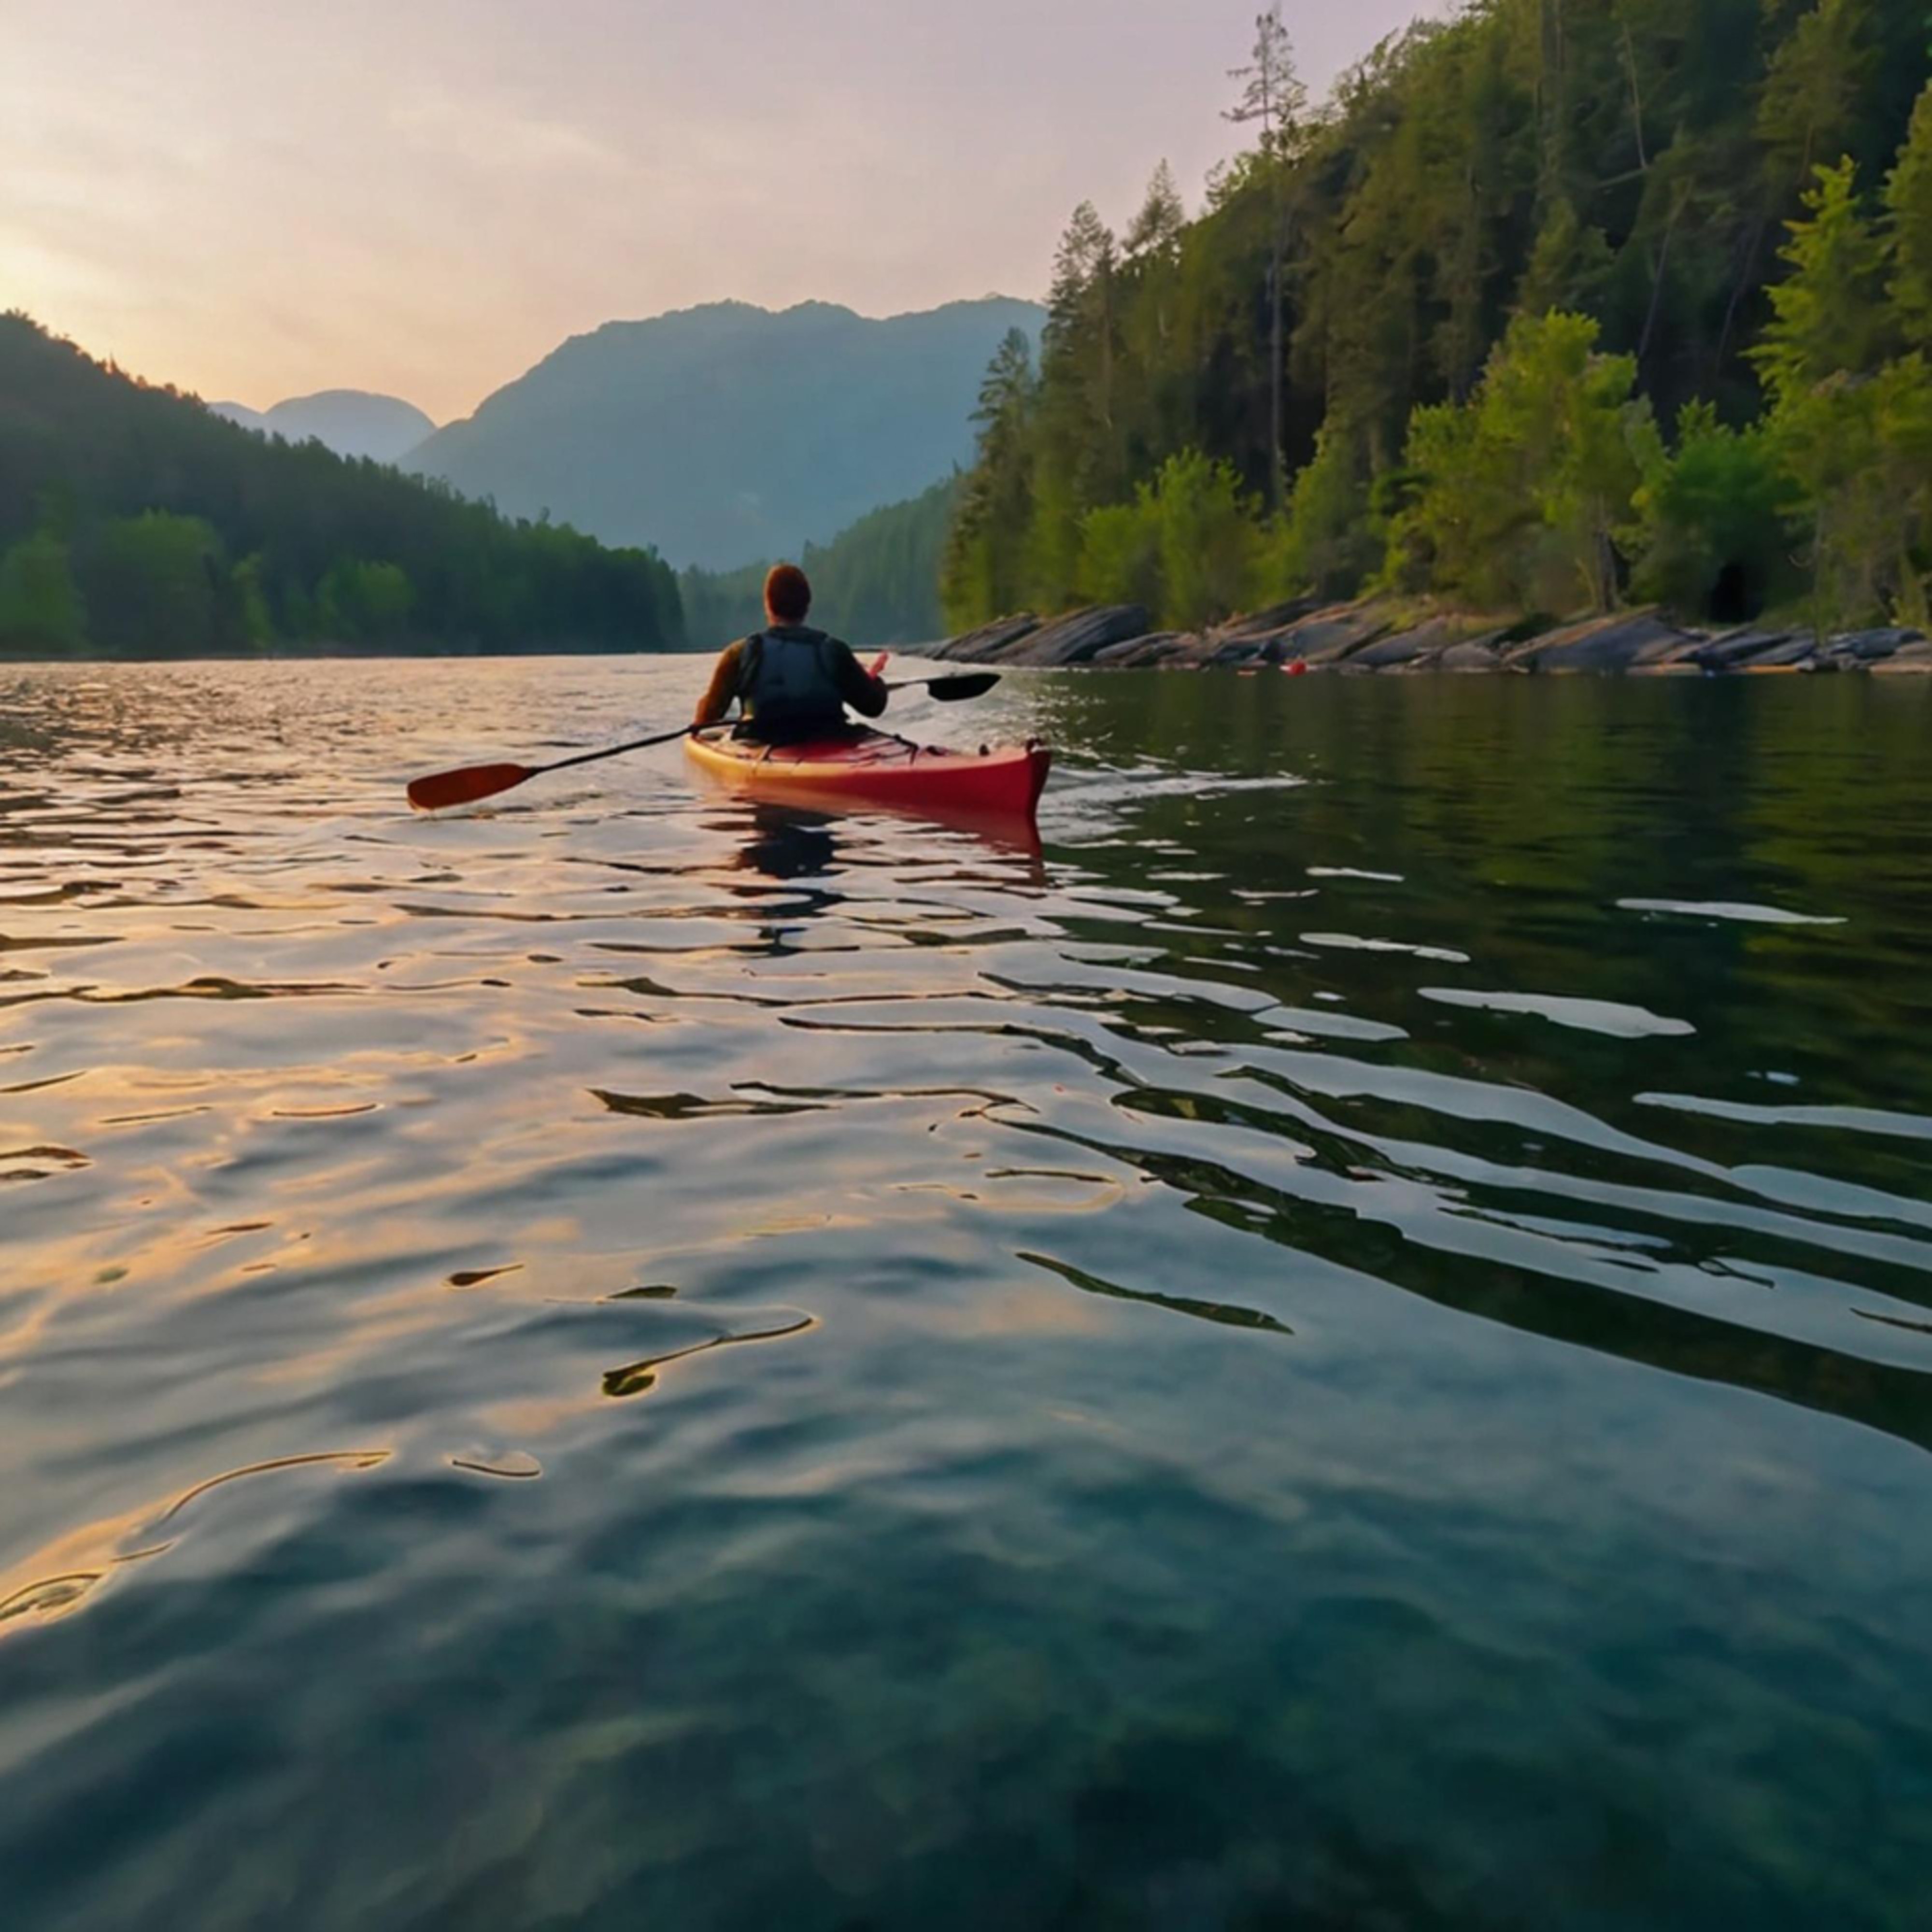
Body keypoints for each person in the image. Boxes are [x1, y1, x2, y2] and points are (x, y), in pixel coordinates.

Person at [693, 564, 888, 743]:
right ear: (807, 606)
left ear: (768, 605)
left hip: (761, 742)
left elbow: (706, 719)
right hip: (829, 738)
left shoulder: (739, 654)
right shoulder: (834, 651)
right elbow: (873, 707)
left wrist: (705, 704)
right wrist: (874, 681)